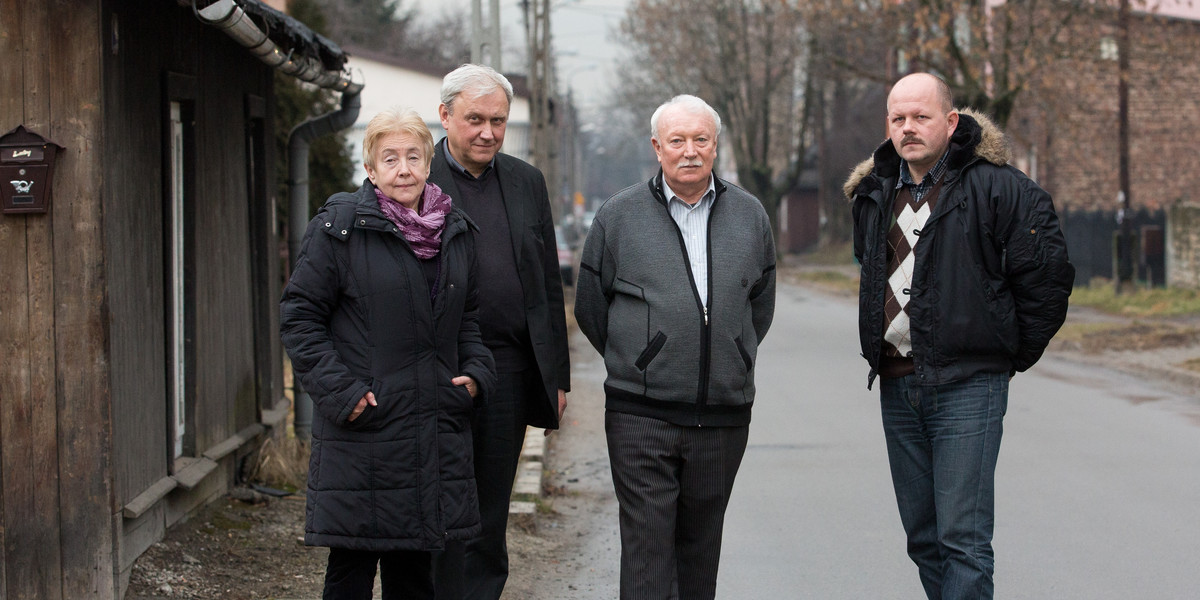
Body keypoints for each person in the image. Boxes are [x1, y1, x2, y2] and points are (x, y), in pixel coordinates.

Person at [844, 73, 1074, 600]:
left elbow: (1047, 282)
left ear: (951, 122)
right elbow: (871, 272)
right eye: (898, 119)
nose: (908, 128)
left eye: (921, 117)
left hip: (970, 385)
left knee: (963, 541)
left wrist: (1003, 354)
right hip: (899, 384)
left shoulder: (1002, 188)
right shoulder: (874, 192)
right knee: (923, 538)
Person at [280, 108, 496, 600]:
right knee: (351, 570)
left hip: (433, 428)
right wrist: (344, 394)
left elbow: (469, 321)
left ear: (429, 163)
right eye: (390, 158)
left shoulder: (454, 233)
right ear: (371, 170)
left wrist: (477, 375)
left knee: (415, 574)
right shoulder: (339, 230)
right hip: (366, 430)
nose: (404, 168)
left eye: (413, 156)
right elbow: (299, 318)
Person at [574, 94, 776, 600]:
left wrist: (732, 353)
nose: (690, 151)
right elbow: (591, 309)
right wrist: (643, 361)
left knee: (700, 551)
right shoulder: (618, 215)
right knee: (647, 551)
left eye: (700, 139)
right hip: (641, 415)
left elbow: (760, 307)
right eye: (678, 140)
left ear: (715, 145)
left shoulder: (751, 215)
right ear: (657, 148)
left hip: (724, 415)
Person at [427, 64, 571, 600]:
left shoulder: (525, 181)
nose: (487, 132)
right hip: (438, 372)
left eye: (498, 121)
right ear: (445, 116)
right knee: (436, 509)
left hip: (508, 372)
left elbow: (546, 289)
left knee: (490, 512)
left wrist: (556, 376)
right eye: (474, 120)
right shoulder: (416, 181)